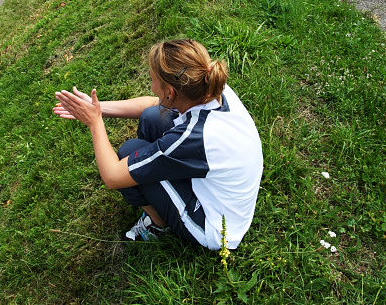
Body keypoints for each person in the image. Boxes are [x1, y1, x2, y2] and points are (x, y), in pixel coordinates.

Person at [53, 39, 263, 250]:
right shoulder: (210, 86)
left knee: (128, 152)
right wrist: (97, 108)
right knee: (153, 117)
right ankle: (159, 194)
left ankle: (158, 223)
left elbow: (112, 176)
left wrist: (94, 122)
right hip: (228, 196)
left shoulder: (192, 138)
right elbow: (154, 104)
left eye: (153, 79)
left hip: (217, 227)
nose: (152, 85)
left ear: (171, 92)